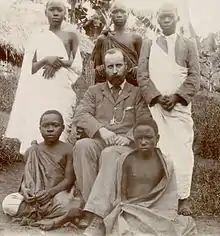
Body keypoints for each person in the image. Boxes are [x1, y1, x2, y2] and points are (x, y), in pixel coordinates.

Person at [72, 48, 151, 228]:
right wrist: (101, 130)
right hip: (101, 139)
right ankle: (94, 208)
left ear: (125, 67)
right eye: (110, 67)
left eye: (118, 65)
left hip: (125, 146)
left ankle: (95, 215)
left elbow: (145, 120)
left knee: (109, 153)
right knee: (82, 146)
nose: (115, 71)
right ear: (104, 69)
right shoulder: (94, 91)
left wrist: (129, 137)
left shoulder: (137, 93)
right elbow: (80, 114)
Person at [80, 119, 197, 236]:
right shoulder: (126, 159)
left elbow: (169, 195)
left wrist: (168, 216)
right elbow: (122, 194)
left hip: (154, 211)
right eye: (139, 138)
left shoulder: (165, 163)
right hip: (131, 209)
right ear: (134, 140)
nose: (143, 142)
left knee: (177, 225)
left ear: (157, 138)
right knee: (123, 227)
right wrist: (123, 210)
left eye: (148, 138)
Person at [137, 2, 200, 215]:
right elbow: (143, 74)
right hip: (155, 107)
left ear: (176, 19)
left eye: (169, 17)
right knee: (159, 148)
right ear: (157, 18)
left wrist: (177, 97)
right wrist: (155, 96)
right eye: (162, 16)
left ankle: (183, 198)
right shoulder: (149, 43)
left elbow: (194, 76)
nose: (165, 20)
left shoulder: (188, 44)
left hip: (180, 108)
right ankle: (159, 196)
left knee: (182, 150)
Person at [5, 0, 82, 154]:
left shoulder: (71, 36)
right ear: (45, 12)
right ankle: (33, 164)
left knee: (59, 124)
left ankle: (56, 166)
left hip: (61, 89)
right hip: (39, 89)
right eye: (52, 9)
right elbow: (30, 67)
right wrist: (46, 60)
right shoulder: (37, 36)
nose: (55, 13)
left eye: (59, 10)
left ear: (65, 13)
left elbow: (76, 64)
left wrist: (57, 62)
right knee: (37, 125)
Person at [2, 110, 82, 231]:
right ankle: (59, 216)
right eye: (46, 126)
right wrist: (25, 191)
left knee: (71, 205)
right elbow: (26, 178)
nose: (50, 129)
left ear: (63, 128)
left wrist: (50, 192)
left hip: (57, 195)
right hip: (35, 196)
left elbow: (69, 180)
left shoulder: (68, 150)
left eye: (55, 125)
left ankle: (53, 219)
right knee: (8, 204)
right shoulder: (32, 150)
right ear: (40, 128)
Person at [91, 2, 142, 85]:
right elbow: (96, 68)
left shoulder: (136, 38)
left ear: (128, 14)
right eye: (115, 12)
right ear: (111, 15)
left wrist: (137, 69)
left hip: (131, 86)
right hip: (109, 86)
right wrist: (100, 69)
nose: (119, 15)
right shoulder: (103, 39)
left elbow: (144, 65)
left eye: (122, 12)